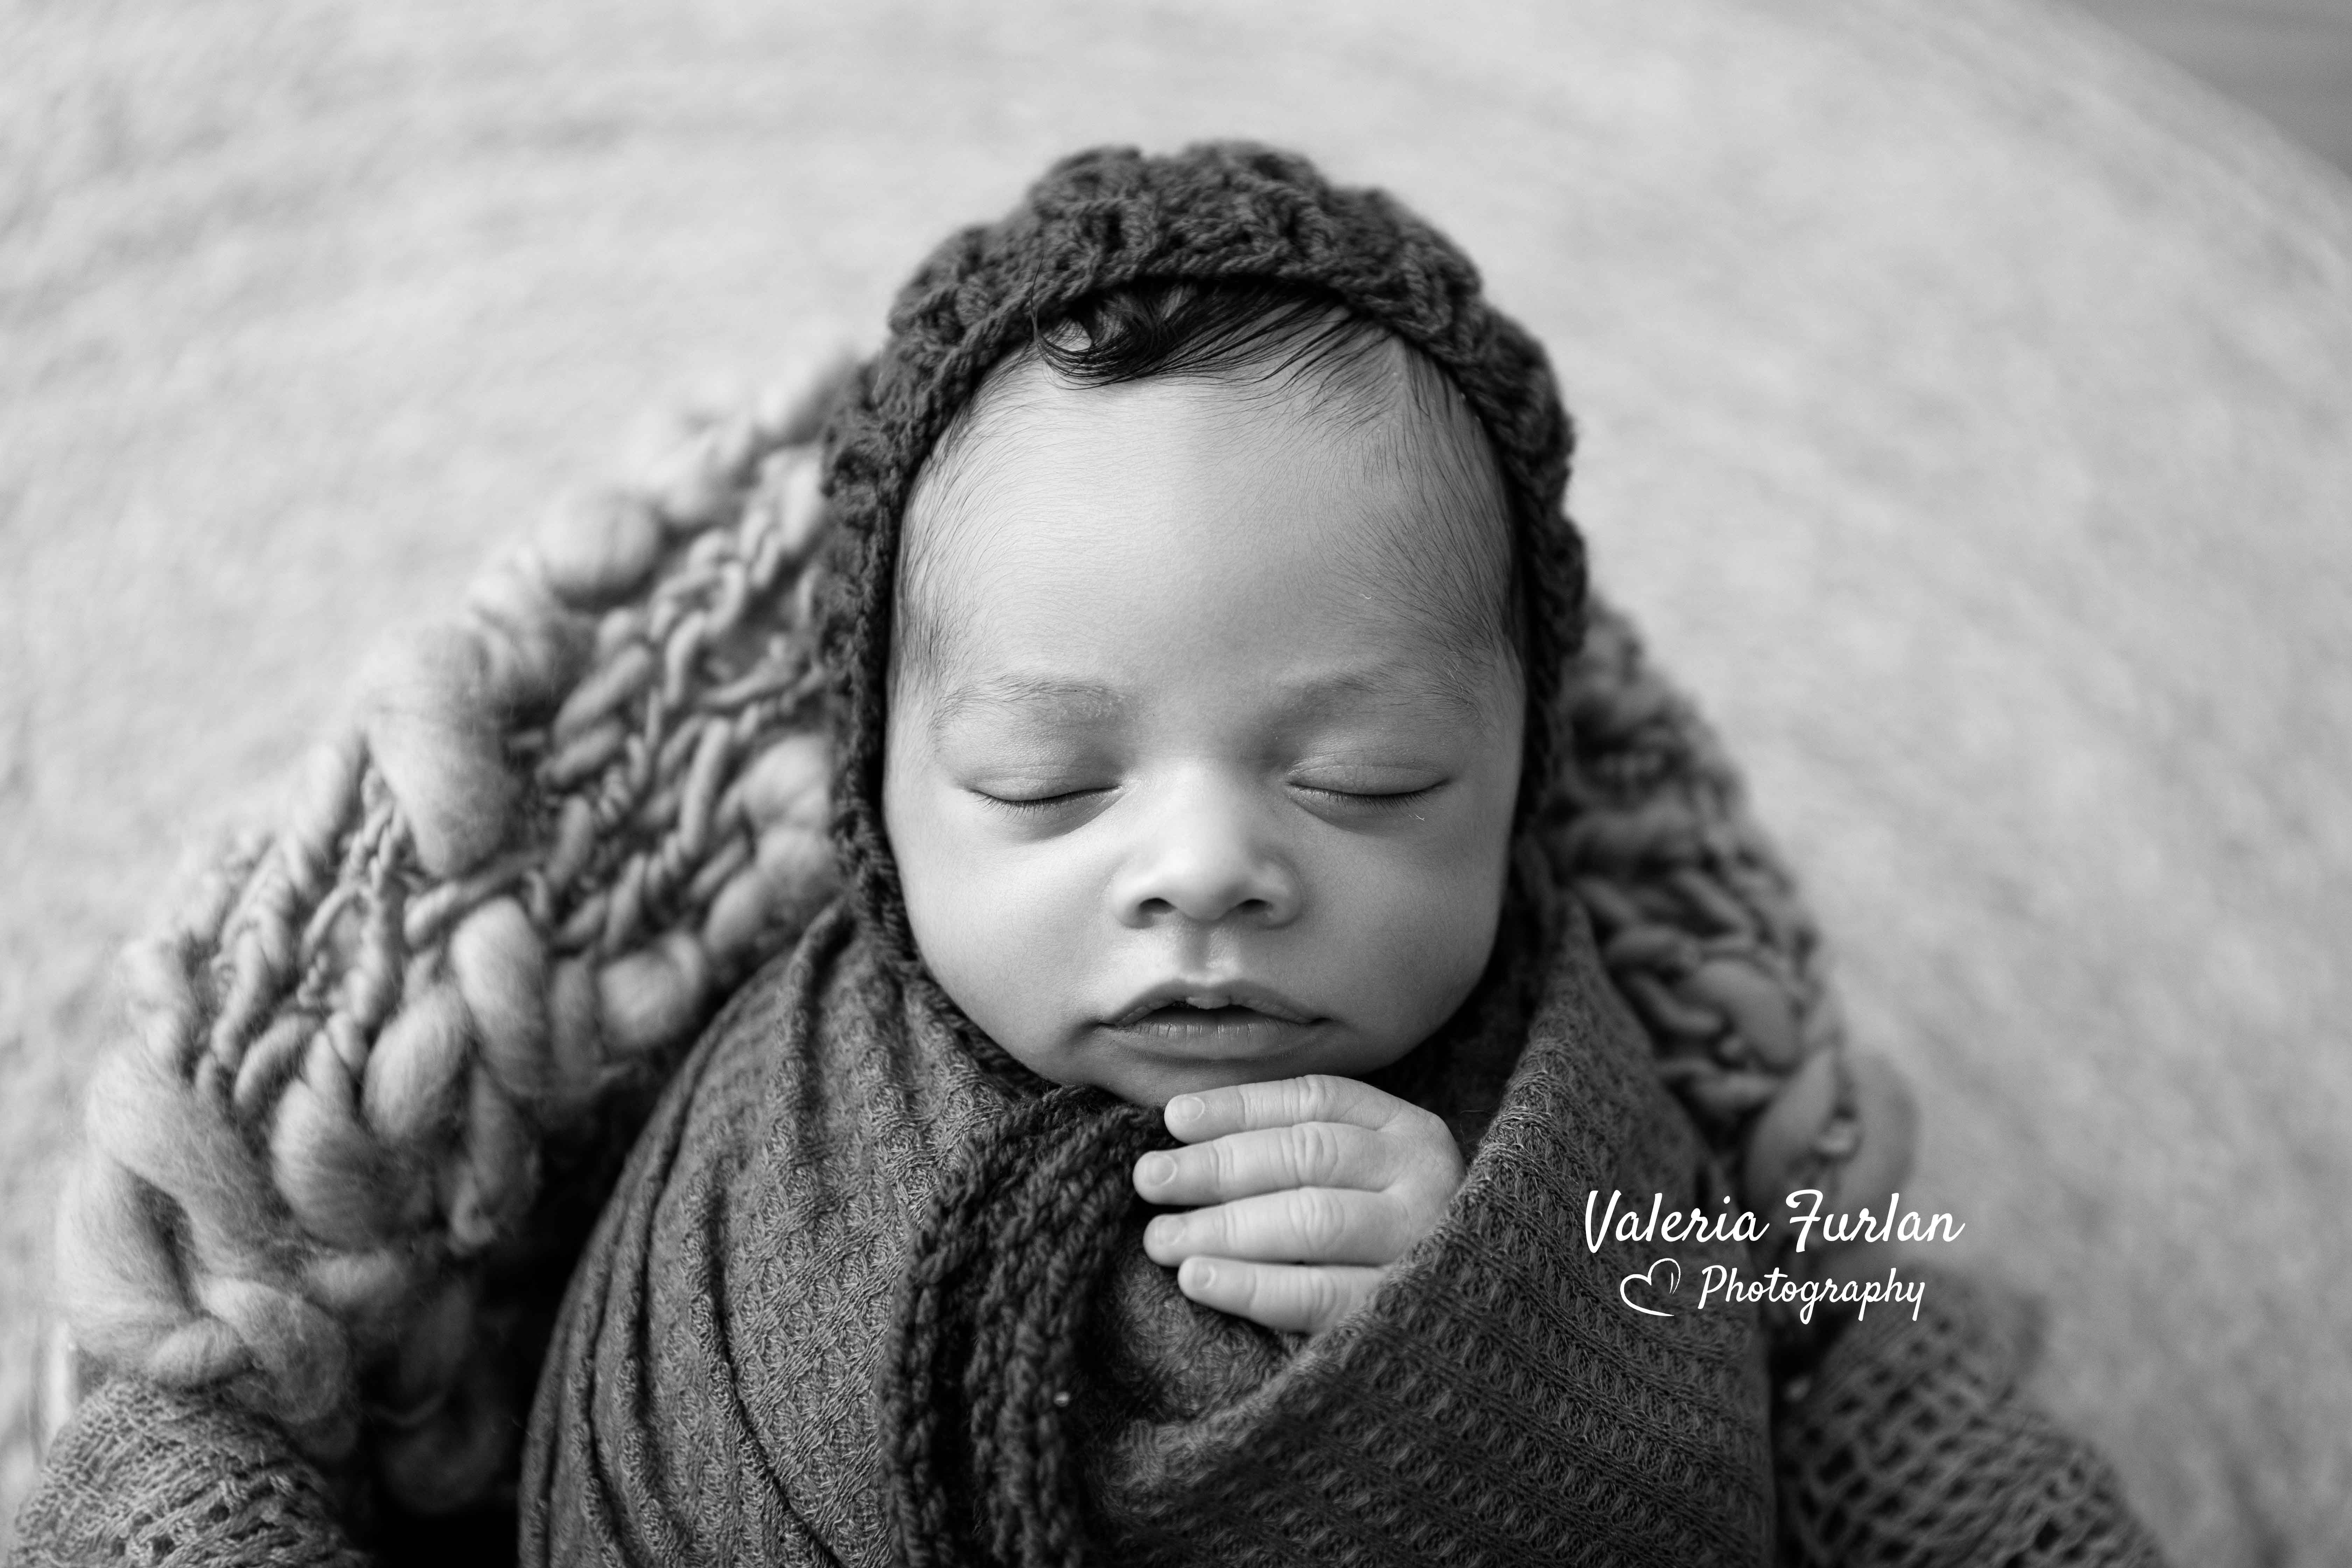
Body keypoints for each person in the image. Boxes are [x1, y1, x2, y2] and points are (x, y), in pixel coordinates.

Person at [18, 141, 2165, 1566]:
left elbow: (1794, 1360)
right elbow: (591, 1428)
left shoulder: (1592, 1114)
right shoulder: (769, 1112)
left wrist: (1520, 1306)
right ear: (876, 800)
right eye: (1050, 782)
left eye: (1370, 779)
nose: (1207, 867)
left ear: (1528, 785)